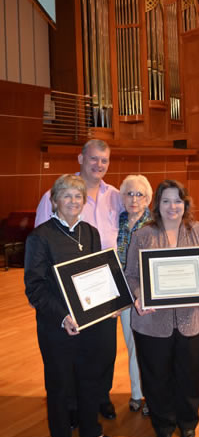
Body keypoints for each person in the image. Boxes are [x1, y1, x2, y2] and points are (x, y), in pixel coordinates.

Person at [125, 179, 199, 437]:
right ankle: (163, 425)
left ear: (185, 203)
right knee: (156, 376)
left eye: (177, 200)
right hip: (153, 322)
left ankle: (188, 422)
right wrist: (139, 295)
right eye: (166, 201)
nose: (172, 206)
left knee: (189, 374)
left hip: (192, 319)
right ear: (157, 204)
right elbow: (131, 274)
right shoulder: (143, 234)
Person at [24, 174, 116, 437]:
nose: (73, 201)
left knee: (90, 379)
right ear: (55, 201)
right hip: (57, 326)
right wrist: (63, 316)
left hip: (90, 322)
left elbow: (95, 274)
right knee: (60, 385)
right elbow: (35, 287)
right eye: (66, 195)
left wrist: (109, 303)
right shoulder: (40, 237)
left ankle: (90, 430)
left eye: (78, 196)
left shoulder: (90, 232)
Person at [35, 139, 122, 420]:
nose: (99, 165)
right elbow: (41, 245)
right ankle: (71, 405)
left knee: (103, 349)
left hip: (102, 285)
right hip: (64, 293)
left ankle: (99, 398)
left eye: (104, 160)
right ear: (81, 158)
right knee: (71, 353)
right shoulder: (55, 194)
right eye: (94, 158)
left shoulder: (116, 195)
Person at [117, 174, 152, 414]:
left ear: (148, 199)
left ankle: (152, 394)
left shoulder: (154, 224)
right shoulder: (117, 220)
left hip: (145, 293)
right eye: (129, 193)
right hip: (119, 293)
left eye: (139, 194)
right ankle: (137, 393)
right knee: (131, 345)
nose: (134, 199)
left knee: (148, 347)